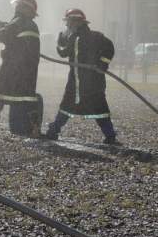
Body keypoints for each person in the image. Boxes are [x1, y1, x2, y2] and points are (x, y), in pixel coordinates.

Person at [43, 9, 119, 145]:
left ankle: (110, 135)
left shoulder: (96, 37)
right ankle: (53, 130)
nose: (67, 26)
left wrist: (103, 64)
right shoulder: (73, 37)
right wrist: (60, 41)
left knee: (99, 108)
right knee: (68, 106)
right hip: (77, 82)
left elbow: (109, 48)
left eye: (69, 23)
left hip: (92, 82)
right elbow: (64, 53)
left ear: (76, 22)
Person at [0, 0, 42, 138]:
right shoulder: (31, 24)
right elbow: (16, 41)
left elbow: (3, 36)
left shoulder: (19, 21)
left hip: (12, 69)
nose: (16, 8)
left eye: (18, 5)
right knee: (28, 98)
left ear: (24, 8)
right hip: (28, 71)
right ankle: (35, 130)